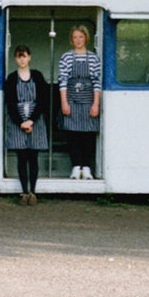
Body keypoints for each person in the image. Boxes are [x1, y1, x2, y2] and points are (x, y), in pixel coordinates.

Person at [3, 43, 49, 202]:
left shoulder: (37, 76)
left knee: (33, 156)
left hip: (35, 120)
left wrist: (31, 120)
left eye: (24, 56)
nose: (22, 60)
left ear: (29, 57)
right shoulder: (11, 78)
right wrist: (21, 122)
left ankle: (33, 191)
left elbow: (42, 100)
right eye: (19, 56)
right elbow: (10, 102)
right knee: (21, 157)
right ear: (15, 59)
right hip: (17, 121)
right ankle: (24, 191)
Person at [57, 23, 101, 180]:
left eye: (81, 37)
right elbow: (62, 81)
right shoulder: (66, 57)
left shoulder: (94, 58)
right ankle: (76, 167)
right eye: (75, 37)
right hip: (72, 100)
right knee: (73, 135)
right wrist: (64, 102)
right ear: (71, 39)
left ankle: (87, 168)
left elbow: (97, 82)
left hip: (89, 101)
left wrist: (96, 104)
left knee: (88, 135)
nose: (78, 40)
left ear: (86, 38)